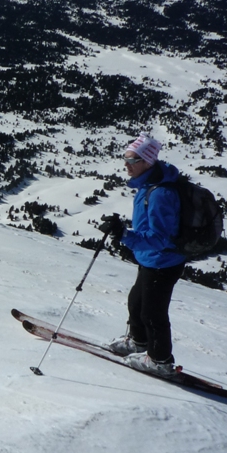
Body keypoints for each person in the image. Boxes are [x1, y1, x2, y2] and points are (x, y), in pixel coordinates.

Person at [98, 134, 187, 377]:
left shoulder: (160, 194)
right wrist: (123, 229)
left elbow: (160, 238)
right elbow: (149, 227)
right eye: (125, 158)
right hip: (150, 260)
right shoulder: (148, 184)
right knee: (136, 302)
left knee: (153, 313)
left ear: (147, 161)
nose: (126, 165)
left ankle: (160, 360)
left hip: (163, 262)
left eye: (132, 160)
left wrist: (125, 235)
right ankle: (138, 343)